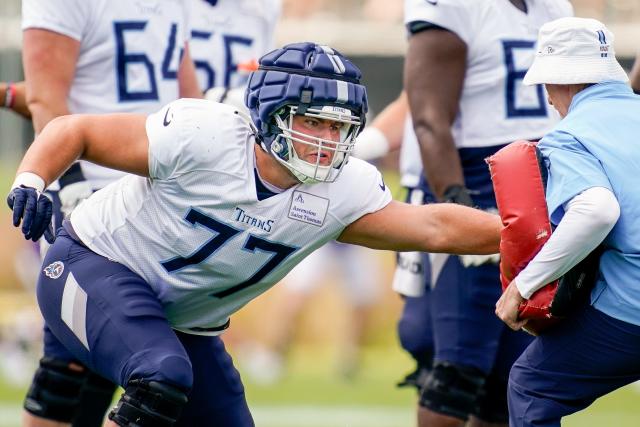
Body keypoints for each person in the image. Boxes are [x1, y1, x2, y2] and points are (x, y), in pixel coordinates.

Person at [7, 42, 502, 427]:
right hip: (93, 265)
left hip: (187, 320)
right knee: (158, 377)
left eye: (338, 128)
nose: (327, 142)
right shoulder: (207, 136)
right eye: (313, 122)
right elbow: (76, 131)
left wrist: (534, 235)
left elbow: (435, 226)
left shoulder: (345, 189)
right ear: (269, 115)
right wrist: (31, 179)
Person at [19, 0, 200, 425]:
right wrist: (72, 185)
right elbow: (46, 99)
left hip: (160, 194)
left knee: (93, 363)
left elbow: (190, 99)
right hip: (93, 201)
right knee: (80, 365)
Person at [402, 0, 573, 426]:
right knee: (456, 372)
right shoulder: (455, 6)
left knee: (515, 375)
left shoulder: (555, 8)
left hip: (544, 190)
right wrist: (460, 205)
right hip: (475, 184)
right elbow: (428, 118)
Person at [494, 17, 640, 427]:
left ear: (557, 82)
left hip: (631, 308)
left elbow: (596, 210)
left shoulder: (569, 137)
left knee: (531, 385)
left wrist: (523, 286)